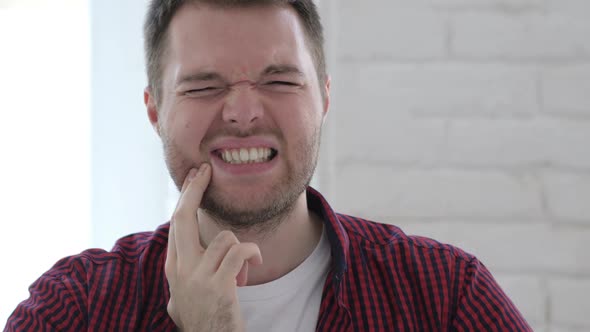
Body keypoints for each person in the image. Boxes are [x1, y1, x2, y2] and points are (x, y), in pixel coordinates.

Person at [5, 0, 532, 331]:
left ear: (323, 98)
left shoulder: (444, 297)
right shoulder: (73, 310)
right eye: (204, 86)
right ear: (154, 111)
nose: (243, 112)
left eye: (279, 80)